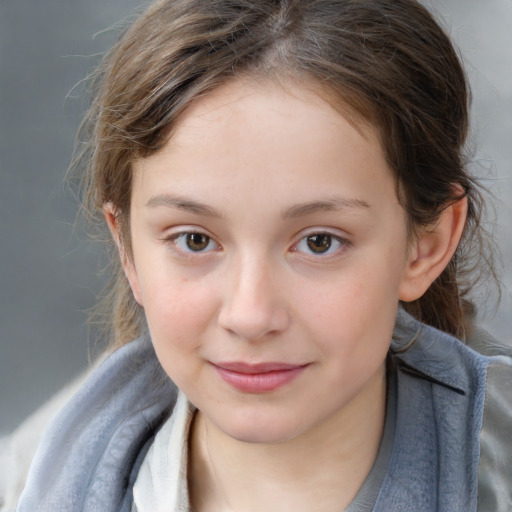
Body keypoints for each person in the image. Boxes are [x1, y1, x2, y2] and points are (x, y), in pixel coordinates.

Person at [11, 0, 512, 510]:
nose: (250, 316)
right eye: (195, 240)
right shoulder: (33, 481)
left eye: (319, 242)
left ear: (423, 248)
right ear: (129, 249)